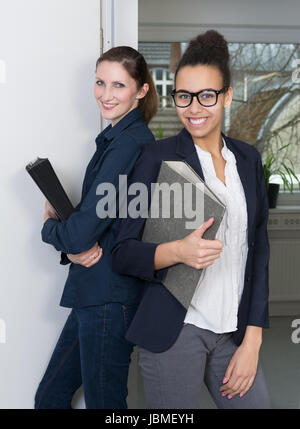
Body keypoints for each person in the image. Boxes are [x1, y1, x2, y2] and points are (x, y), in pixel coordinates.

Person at [111, 30, 272, 409]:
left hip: (233, 332)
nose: (193, 108)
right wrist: (176, 251)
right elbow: (123, 252)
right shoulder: (155, 157)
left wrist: (253, 340)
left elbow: (259, 251)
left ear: (227, 96)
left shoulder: (248, 160)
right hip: (175, 330)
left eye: (207, 96)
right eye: (183, 96)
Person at [34, 46, 157, 409]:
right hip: (95, 294)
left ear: (141, 90)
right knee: (50, 397)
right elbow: (99, 223)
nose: (106, 94)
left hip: (109, 297)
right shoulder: (116, 140)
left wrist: (50, 229)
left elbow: (80, 232)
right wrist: (72, 243)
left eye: (119, 85)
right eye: (100, 82)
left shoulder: (128, 145)